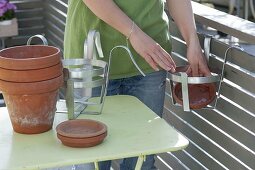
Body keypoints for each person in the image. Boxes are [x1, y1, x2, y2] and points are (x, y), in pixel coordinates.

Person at [64, 0, 211, 169]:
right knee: (91, 162)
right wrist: (133, 33)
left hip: (151, 61)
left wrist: (192, 40)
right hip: (92, 61)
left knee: (142, 163)